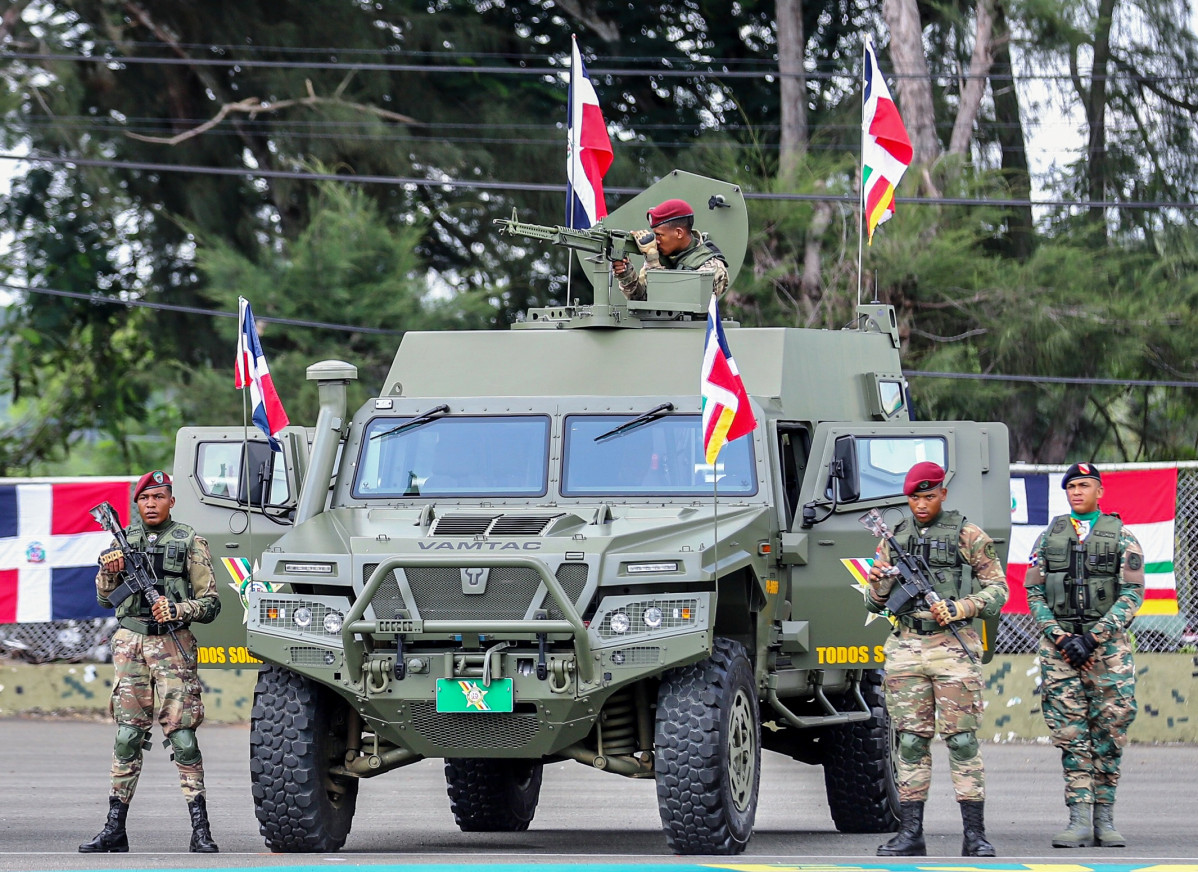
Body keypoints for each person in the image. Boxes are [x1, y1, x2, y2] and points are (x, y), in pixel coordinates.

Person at [865, 461, 1008, 858]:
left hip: (952, 647)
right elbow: (873, 602)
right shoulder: (893, 538)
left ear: (943, 493)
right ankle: (911, 833)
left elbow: (999, 591)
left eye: (929, 496)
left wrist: (961, 607)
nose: (922, 504)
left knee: (961, 741)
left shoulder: (968, 535)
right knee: (910, 742)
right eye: (915, 497)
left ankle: (974, 835)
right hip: (907, 647)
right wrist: (877, 583)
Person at [79, 470, 222, 854]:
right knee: (127, 735)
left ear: (171, 501)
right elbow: (104, 599)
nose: (151, 504)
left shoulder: (190, 540)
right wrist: (109, 573)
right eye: (145, 498)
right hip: (130, 644)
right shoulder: (123, 541)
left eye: (159, 497)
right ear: (136, 503)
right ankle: (114, 829)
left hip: (173, 646)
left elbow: (211, 604)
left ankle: (201, 829)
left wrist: (177, 608)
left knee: (183, 737)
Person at [1023, 462, 1143, 849]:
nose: (1077, 492)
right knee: (1072, 734)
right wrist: (1060, 637)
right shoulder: (1048, 538)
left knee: (1109, 731)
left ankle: (1104, 820)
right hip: (1059, 651)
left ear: (1100, 491)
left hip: (1107, 651)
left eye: (1085, 485)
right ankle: (1077, 820)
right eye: (1071, 486)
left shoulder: (1122, 537)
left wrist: (1093, 638)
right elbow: (1034, 593)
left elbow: (1132, 594)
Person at [611, 198, 729, 301]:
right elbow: (641, 297)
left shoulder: (712, 267)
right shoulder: (665, 255)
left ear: (678, 233)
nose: (656, 241)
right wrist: (625, 273)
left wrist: (653, 260)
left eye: (659, 235)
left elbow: (671, 301)